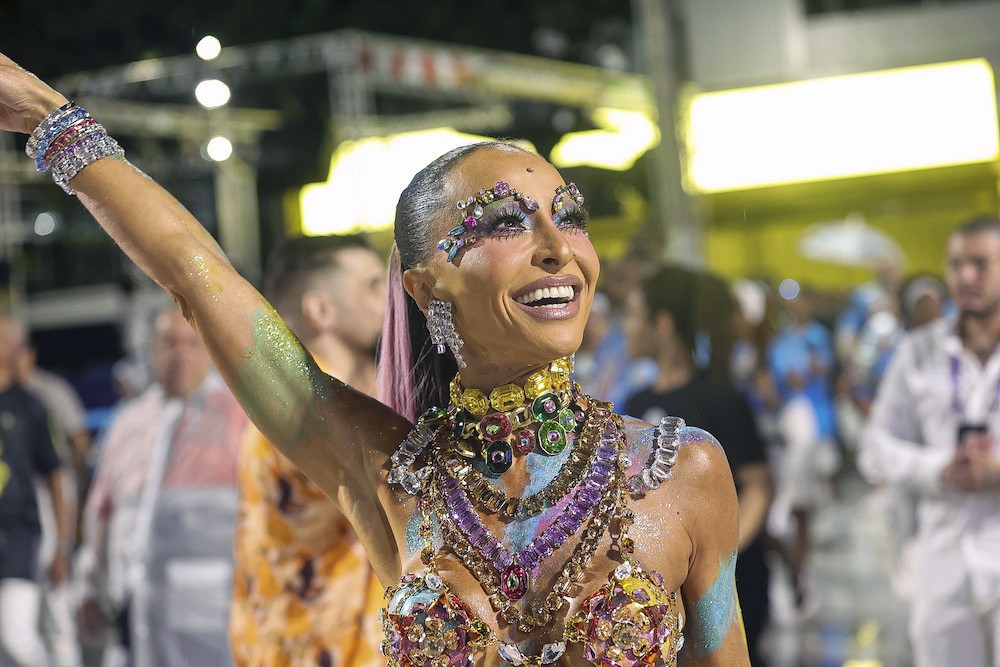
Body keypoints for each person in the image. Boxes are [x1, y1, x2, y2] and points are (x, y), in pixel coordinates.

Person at [0, 55, 751, 666]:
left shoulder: (683, 472)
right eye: (504, 223)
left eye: (570, 216)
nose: (558, 248)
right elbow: (197, 279)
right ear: (425, 288)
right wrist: (48, 119)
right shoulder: (390, 474)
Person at [230, 234, 388, 667]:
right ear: (321, 310)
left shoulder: (325, 392)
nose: (390, 299)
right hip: (314, 645)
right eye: (373, 285)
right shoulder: (304, 405)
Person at [861, 214, 1000, 667]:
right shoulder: (918, 352)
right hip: (942, 561)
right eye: (956, 265)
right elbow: (875, 448)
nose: (966, 277)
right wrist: (938, 468)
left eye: (980, 263)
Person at [75, 307, 248, 667]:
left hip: (213, 611)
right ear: (151, 349)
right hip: (134, 605)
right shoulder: (127, 421)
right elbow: (101, 511)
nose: (181, 354)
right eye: (170, 343)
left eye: (192, 343)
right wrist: (89, 586)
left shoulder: (238, 418)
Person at [624, 265, 774, 665]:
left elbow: (759, 485)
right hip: (665, 582)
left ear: (662, 324)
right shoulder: (635, 403)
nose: (626, 326)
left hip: (729, 581)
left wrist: (717, 559)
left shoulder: (721, 399)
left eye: (634, 315)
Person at [0, 315, 72, 667]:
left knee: (18, 635)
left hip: (19, 533)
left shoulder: (31, 405)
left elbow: (57, 477)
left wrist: (62, 545)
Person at [16, 336, 87, 667]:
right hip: (18, 504)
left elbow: (79, 442)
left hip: (52, 495)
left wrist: (66, 539)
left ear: (29, 354)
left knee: (56, 608)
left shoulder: (49, 390)